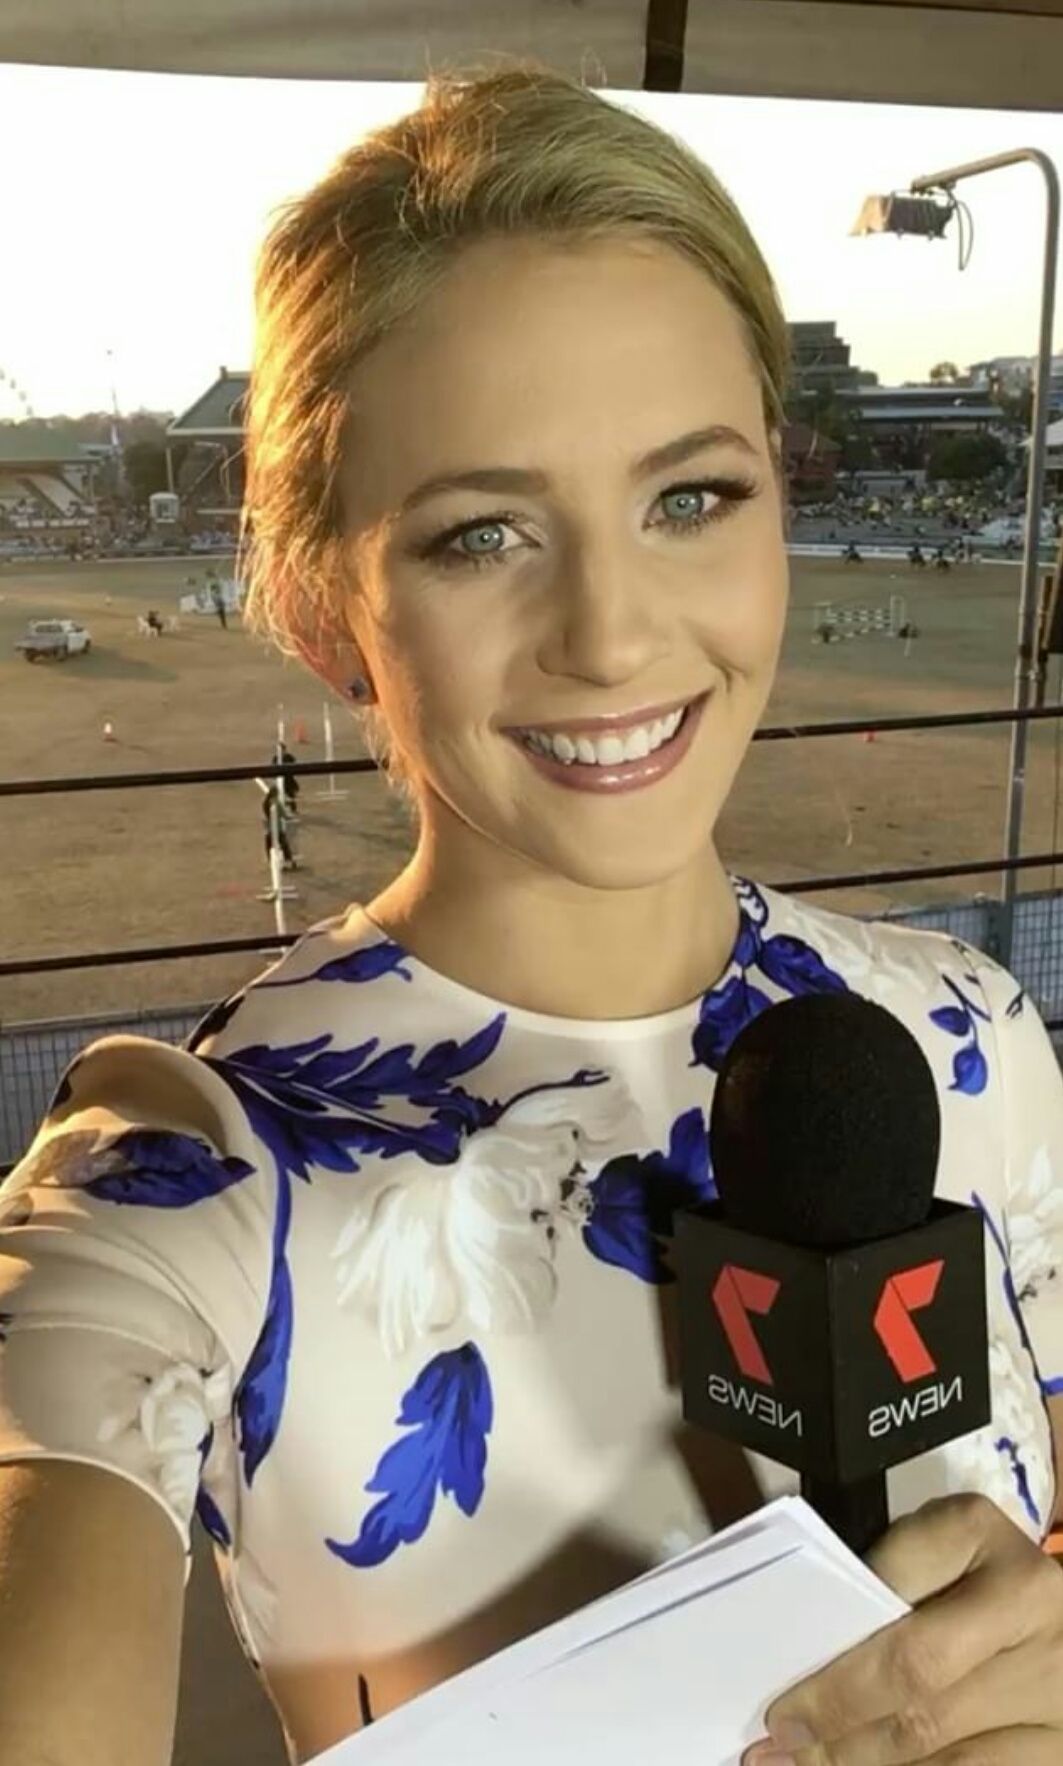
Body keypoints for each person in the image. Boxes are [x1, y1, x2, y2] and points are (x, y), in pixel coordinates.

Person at [2, 57, 1063, 1766]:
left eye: (690, 497)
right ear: (321, 604)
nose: (613, 633)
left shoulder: (972, 1038)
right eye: (482, 533)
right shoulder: (191, 1175)